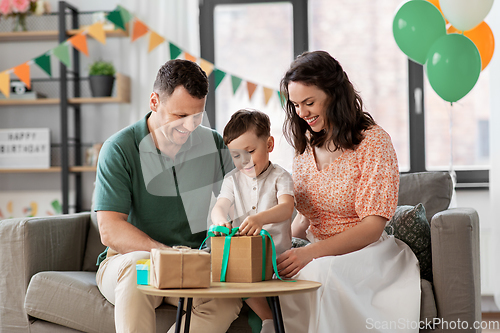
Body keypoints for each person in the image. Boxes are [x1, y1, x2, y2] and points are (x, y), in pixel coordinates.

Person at [276, 50, 421, 332]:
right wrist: (276, 248)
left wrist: (310, 254)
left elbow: (371, 228)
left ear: (334, 95)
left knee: (319, 273)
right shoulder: (304, 145)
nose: (301, 113)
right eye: (295, 104)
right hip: (317, 251)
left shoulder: (374, 142)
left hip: (367, 253)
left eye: (309, 102)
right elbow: (307, 217)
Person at [94, 59, 243, 333]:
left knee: (227, 300)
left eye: (197, 117)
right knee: (137, 268)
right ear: (154, 101)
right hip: (132, 261)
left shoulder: (214, 144)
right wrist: (167, 255)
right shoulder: (119, 148)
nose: (189, 126)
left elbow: (238, 207)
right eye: (180, 116)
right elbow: (109, 229)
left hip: (193, 266)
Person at [211, 109, 294, 333]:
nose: (245, 161)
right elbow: (219, 207)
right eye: (237, 156)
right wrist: (221, 221)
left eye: (250, 151)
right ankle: (268, 318)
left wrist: (260, 219)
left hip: (277, 257)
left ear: (269, 144)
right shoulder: (231, 180)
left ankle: (270, 318)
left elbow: (287, 208)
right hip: (244, 258)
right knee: (229, 271)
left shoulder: (281, 176)